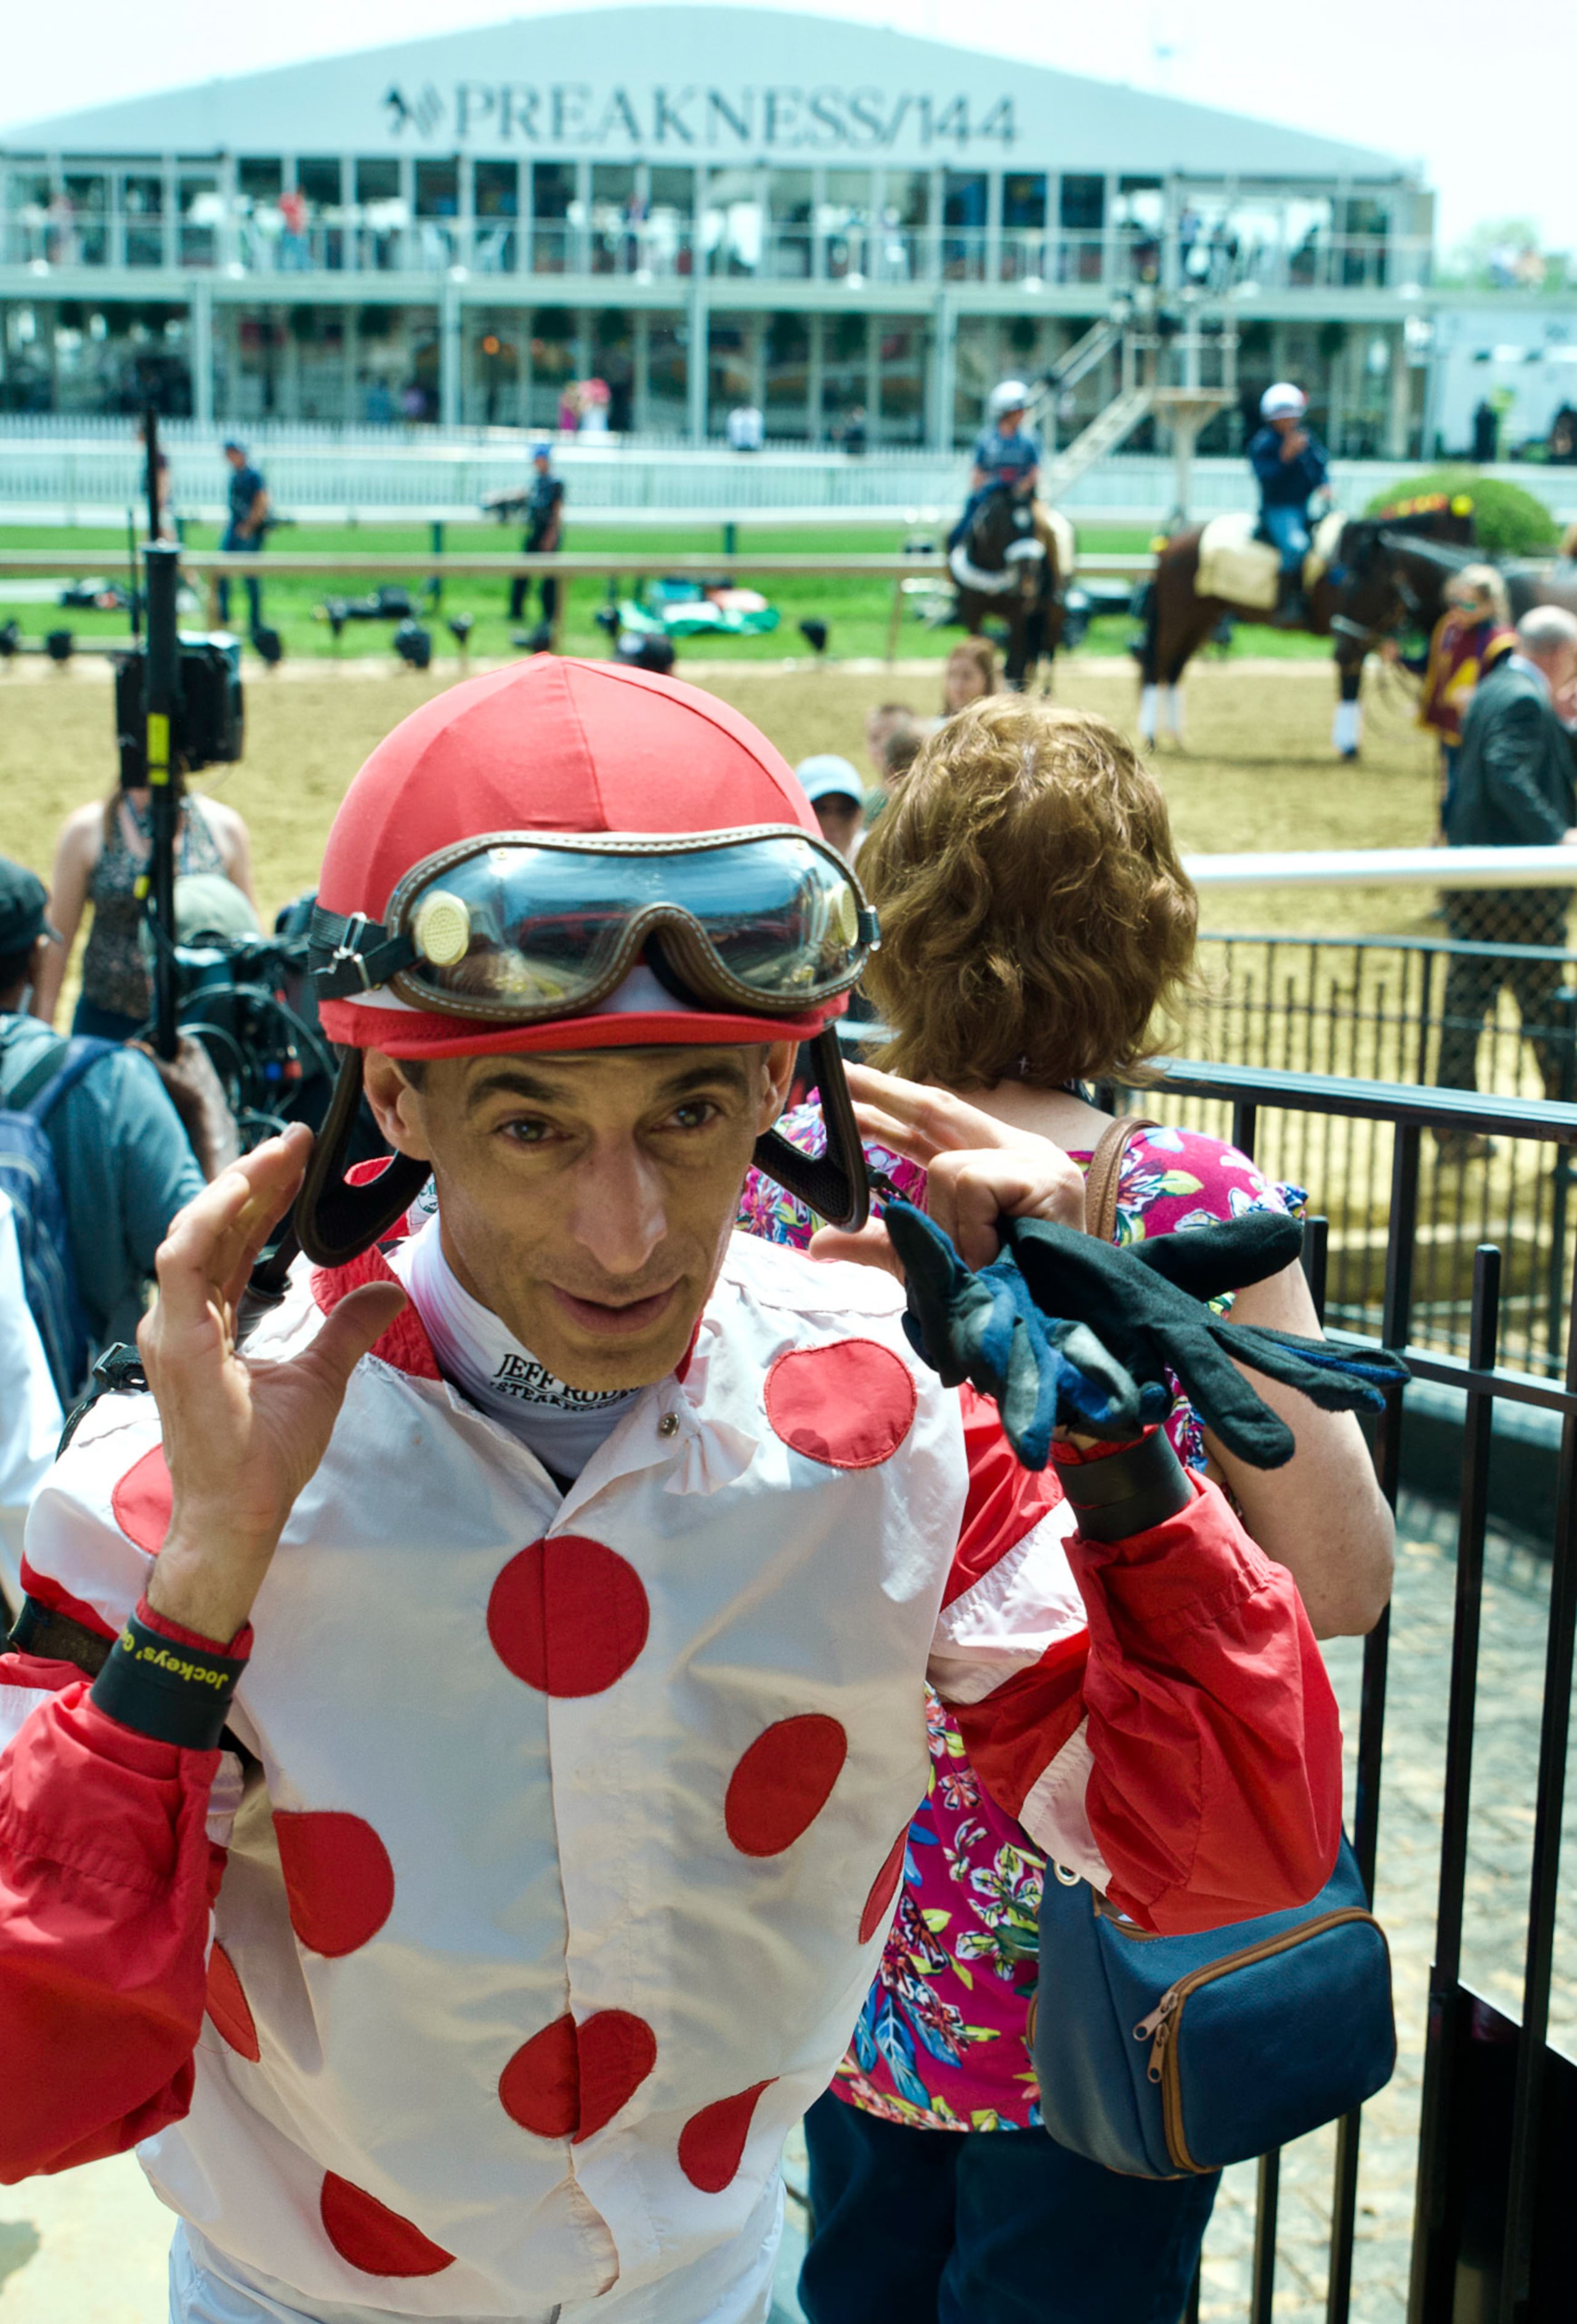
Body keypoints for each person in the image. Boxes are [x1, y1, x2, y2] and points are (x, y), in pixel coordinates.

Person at [0, 657, 1346, 2324]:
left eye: (691, 1110)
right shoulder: (183, 1467)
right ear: (400, 1097)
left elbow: (1230, 1856)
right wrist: (201, 1594)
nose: (626, 1231)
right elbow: (24, 2069)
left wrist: (1117, 1454)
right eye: (535, 1124)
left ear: (785, 1088)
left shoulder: (903, 1421)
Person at [737, 698, 1394, 2324]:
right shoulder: (1176, 1195)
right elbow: (1345, 1573)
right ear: (1147, 925)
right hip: (1111, 1925)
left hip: (843, 1912)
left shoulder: (785, 1178)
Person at [0, 856, 227, 1369]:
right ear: (37, 958)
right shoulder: (112, 1081)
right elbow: (208, 1266)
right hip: (83, 1418)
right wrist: (209, 1113)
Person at [1435, 605, 1577, 1137]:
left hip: (1474, 879)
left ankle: (1451, 1130)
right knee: (1549, 1011)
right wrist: (1556, 834)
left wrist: (1562, 723)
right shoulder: (1524, 698)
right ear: (1561, 652)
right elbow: (1505, 768)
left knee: (1465, 1009)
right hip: (1520, 894)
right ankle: (1569, 1129)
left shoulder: (1497, 687)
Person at [31, 769, 254, 1041]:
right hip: (109, 1021)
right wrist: (41, 1032)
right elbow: (59, 941)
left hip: (203, 1022)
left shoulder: (223, 828)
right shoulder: (88, 831)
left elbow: (249, 938)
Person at [1382, 565, 1515, 832]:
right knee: (1449, 786)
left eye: (1469, 604)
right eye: (1455, 602)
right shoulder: (1448, 629)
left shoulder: (1502, 643)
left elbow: (1508, 691)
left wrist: (1478, 698)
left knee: (1468, 791)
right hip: (1451, 729)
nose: (1458, 610)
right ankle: (1446, 836)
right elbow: (1430, 667)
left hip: (1483, 735)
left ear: (1490, 606)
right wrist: (1400, 659)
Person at [1247, 383, 1329, 627]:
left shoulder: (1305, 440)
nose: (1289, 422)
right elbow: (1266, 479)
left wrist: (1324, 485)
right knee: (1296, 546)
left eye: (1292, 416)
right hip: (1279, 510)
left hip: (1305, 506)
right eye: (1282, 417)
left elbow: (1318, 467)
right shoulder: (1264, 444)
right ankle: (1287, 603)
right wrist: (1285, 457)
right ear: (1272, 419)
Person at [951, 381, 1042, 554]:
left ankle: (1053, 578)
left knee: (1050, 531)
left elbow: (1034, 473)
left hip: (1021, 500)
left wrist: (1020, 489)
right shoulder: (987, 440)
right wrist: (985, 489)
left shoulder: (1030, 440)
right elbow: (977, 474)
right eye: (1019, 410)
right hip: (990, 498)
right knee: (957, 534)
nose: (1023, 414)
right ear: (1006, 413)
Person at [507, 444, 566, 633]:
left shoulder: (555, 482)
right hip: (534, 531)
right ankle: (516, 610)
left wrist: (552, 535)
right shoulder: (537, 481)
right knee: (522, 572)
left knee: (549, 578)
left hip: (547, 532)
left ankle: (549, 615)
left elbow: (557, 511)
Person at [218, 441, 270, 637]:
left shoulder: (253, 475)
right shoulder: (235, 476)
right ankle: (224, 616)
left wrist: (249, 526)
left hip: (249, 531)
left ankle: (255, 622)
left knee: (250, 577)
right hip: (235, 529)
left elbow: (262, 501)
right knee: (221, 571)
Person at [793, 754, 866, 861]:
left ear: (859, 816)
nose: (832, 822)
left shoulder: (876, 864)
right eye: (819, 809)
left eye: (844, 811)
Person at [942, 637, 997, 715]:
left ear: (987, 680)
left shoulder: (1002, 724)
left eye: (967, 676)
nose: (958, 685)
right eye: (953, 675)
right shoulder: (939, 724)